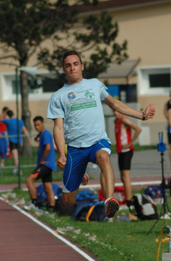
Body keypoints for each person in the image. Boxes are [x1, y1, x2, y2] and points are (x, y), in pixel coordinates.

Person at [47, 51, 155, 219]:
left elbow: (115, 104)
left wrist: (141, 115)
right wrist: (61, 154)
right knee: (68, 200)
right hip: (75, 148)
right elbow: (58, 128)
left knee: (104, 157)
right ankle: (81, 171)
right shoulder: (58, 96)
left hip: (98, 141)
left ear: (82, 66)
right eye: (68, 65)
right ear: (64, 69)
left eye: (75, 64)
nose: (72, 68)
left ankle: (109, 201)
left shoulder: (95, 85)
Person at [26, 116, 57, 208]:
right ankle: (52, 207)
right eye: (35, 125)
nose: (36, 127)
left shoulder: (46, 134)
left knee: (29, 180)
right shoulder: (42, 135)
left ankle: (34, 202)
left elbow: (48, 147)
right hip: (49, 165)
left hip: (45, 165)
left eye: (38, 125)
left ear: (43, 124)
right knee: (48, 187)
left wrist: (42, 160)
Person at [113, 109, 142, 201]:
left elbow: (138, 129)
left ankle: (130, 200)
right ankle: (127, 197)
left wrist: (130, 143)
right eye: (113, 111)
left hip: (126, 151)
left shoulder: (124, 120)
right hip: (120, 151)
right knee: (122, 177)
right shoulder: (116, 121)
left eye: (117, 111)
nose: (115, 113)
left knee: (125, 177)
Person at [3, 110, 30, 175]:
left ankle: (19, 170)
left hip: (12, 141)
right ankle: (15, 169)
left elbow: (0, 120)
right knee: (17, 157)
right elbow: (25, 130)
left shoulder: (8, 121)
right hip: (19, 141)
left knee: (15, 157)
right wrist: (29, 139)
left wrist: (3, 113)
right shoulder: (20, 121)